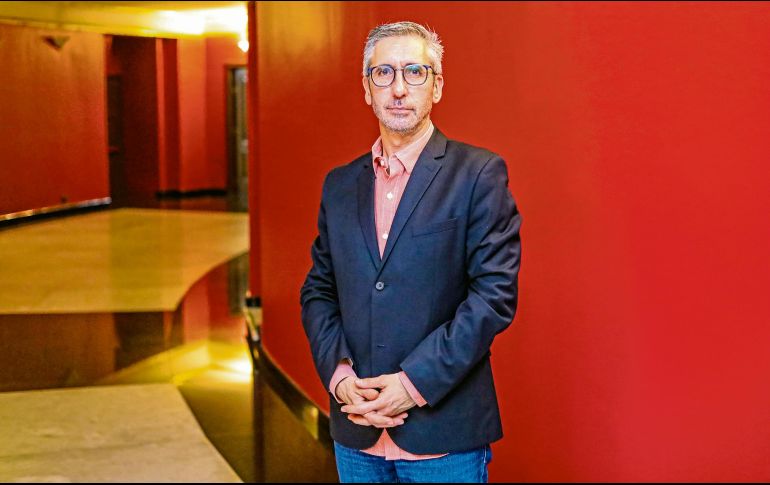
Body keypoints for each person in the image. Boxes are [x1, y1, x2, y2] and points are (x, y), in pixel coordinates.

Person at [300, 21, 522, 483]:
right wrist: (339, 376)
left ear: (436, 86)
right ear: (367, 88)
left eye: (415, 72)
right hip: (356, 431)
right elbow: (319, 290)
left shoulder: (478, 174)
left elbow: (493, 298)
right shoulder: (340, 185)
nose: (399, 88)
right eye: (383, 73)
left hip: (444, 435)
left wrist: (411, 384)